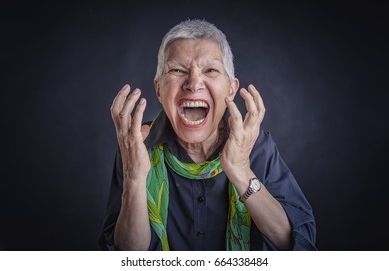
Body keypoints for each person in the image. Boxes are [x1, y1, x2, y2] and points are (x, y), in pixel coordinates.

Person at [99, 19, 317, 251]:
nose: (193, 84)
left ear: (231, 89)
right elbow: (125, 257)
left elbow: (295, 245)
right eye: (177, 70)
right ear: (159, 88)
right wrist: (134, 178)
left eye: (210, 70)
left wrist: (242, 171)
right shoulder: (137, 145)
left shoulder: (256, 144)